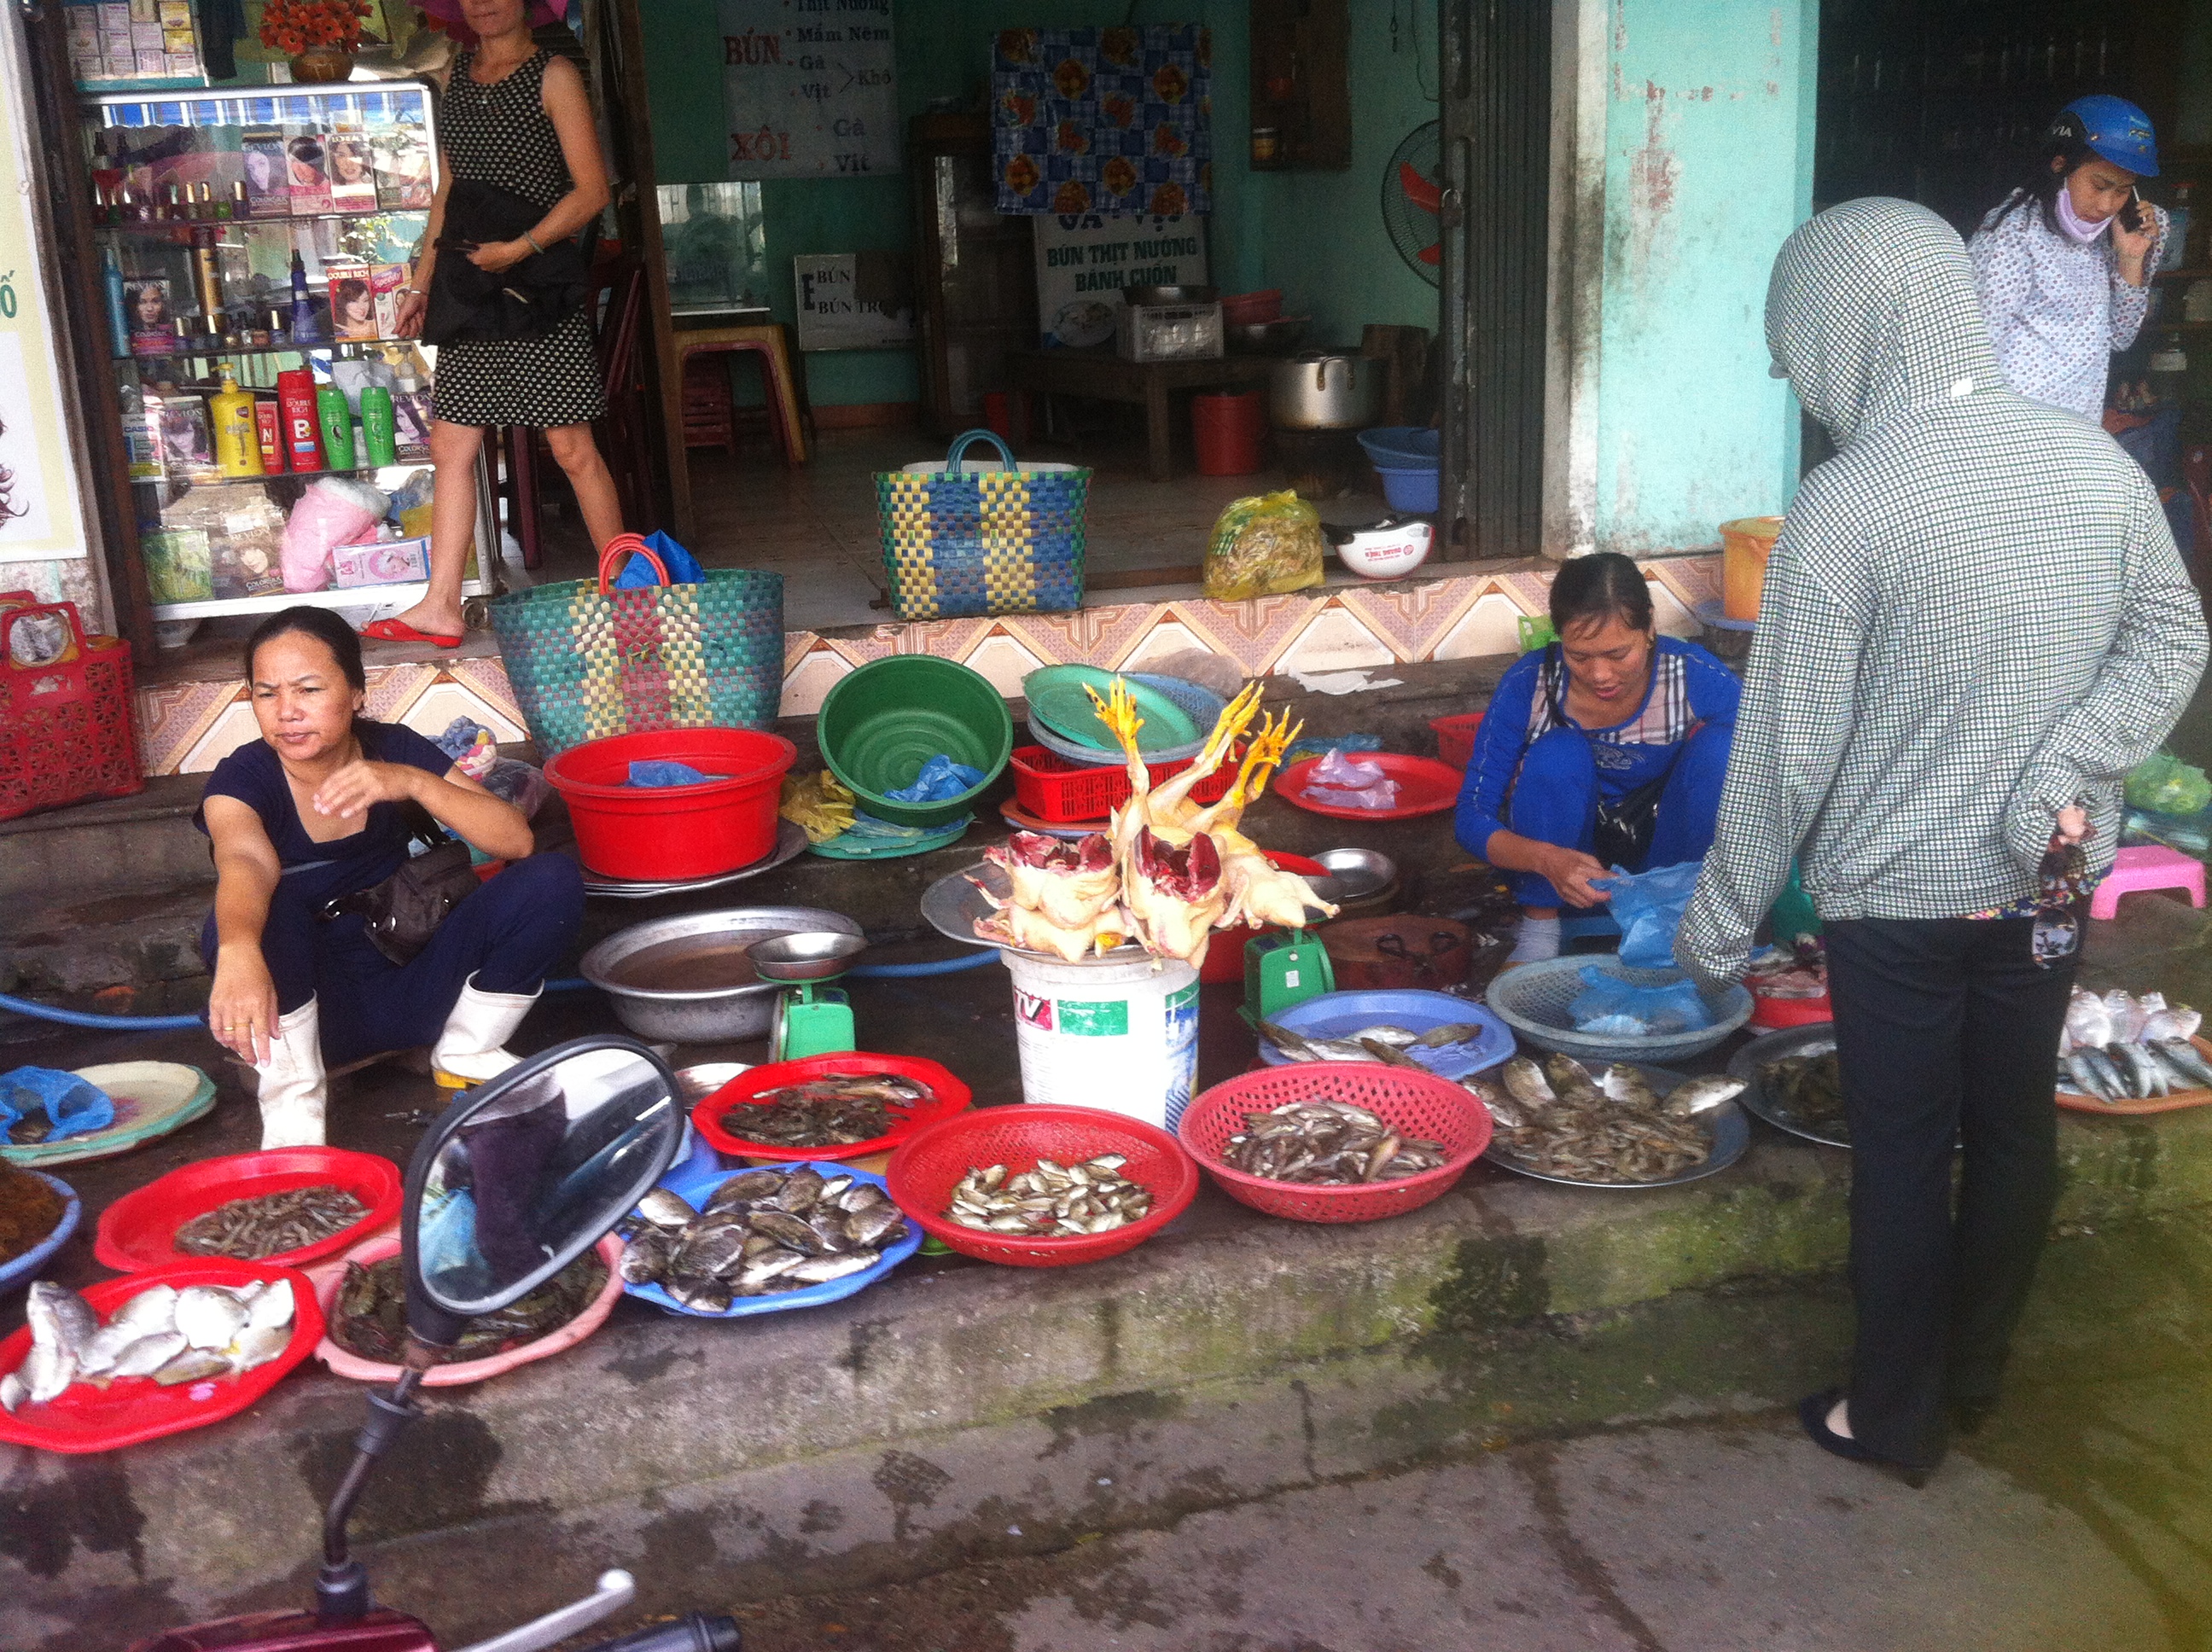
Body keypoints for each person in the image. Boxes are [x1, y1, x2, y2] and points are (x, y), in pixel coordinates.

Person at [1677, 198, 2206, 1483]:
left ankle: (1893, 1417)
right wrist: (2067, 770)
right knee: (2015, 1127)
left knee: (1906, 1155)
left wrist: (1719, 923)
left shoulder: (1847, 504)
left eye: (1803, 353)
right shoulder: (2097, 467)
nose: (1803, 386)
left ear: (1850, 331)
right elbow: (2175, 639)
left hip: (1899, 902)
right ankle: (1971, 1378)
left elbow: (1789, 748)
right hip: (2052, 880)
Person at [199, 608, 585, 1148]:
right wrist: (239, 951)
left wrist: (413, 782)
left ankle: (465, 1050)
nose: (287, 712)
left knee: (551, 878)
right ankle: (294, 1116)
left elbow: (514, 841)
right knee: (249, 918)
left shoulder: (393, 748)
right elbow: (245, 860)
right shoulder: (242, 776)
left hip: (419, 985)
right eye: (267, 694)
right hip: (315, 1015)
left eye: (309, 689)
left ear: (357, 692)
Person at [375, 0, 615, 649]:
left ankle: (626, 590)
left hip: (535, 285)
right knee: (451, 448)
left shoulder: (553, 75)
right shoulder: (453, 78)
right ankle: (440, 606)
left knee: (572, 448)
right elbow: (447, 196)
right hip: (471, 285)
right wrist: (420, 283)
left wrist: (520, 249)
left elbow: (592, 190)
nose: (483, 3)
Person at [1453, 552, 1740, 965]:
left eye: (1618, 654)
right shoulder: (1530, 683)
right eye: (1580, 656)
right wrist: (1548, 861)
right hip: (1558, 872)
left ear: (1649, 629)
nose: (1600, 674)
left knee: (1726, 750)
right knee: (1558, 754)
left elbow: (1777, 764)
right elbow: (1471, 814)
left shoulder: (1690, 674)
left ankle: (1682, 915)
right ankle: (1539, 929)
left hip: (1664, 858)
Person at [1968, 96, 2167, 422]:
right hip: (2012, 423)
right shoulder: (2014, 233)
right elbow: (1974, 347)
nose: (2106, 205)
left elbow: (2120, 337)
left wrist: (2131, 260)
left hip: (2078, 426)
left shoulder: (2125, 233)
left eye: (2122, 191)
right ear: (2060, 166)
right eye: (2099, 186)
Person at [333, 277, 377, 341]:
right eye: (354, 301)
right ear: (342, 303)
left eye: (365, 300)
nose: (362, 307)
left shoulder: (375, 326)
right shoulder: (336, 329)